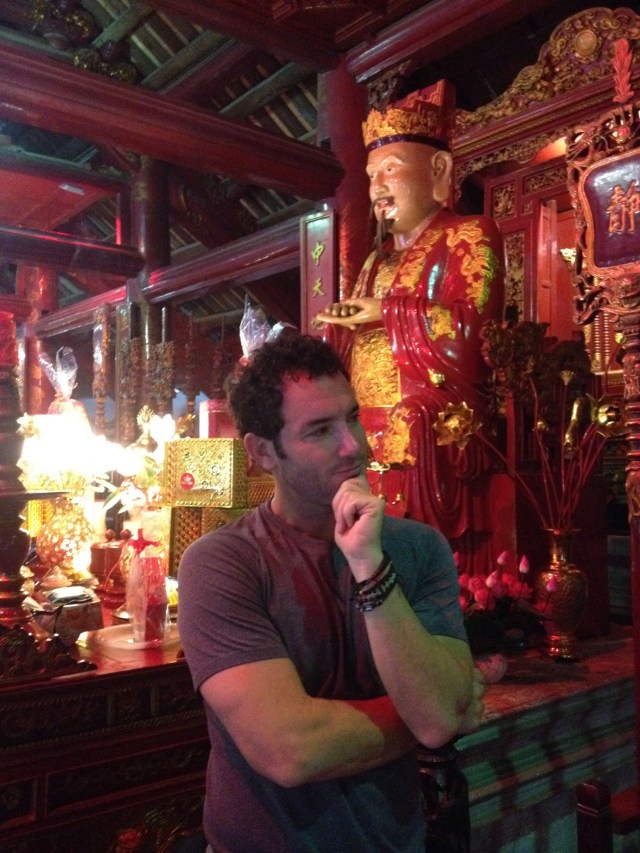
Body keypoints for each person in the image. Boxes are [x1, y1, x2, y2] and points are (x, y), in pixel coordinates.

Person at [178, 333, 484, 853]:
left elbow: (437, 714)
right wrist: (427, 716)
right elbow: (291, 750)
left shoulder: (418, 549)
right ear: (262, 452)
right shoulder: (222, 563)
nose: (354, 446)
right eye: (320, 430)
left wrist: (369, 563)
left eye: (353, 418)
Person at [315, 84, 505, 572]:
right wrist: (336, 331)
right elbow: (351, 346)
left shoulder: (470, 234)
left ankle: (435, 585)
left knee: (413, 421)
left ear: (438, 172)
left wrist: (388, 311)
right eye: (372, 175)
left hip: (435, 407)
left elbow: (472, 330)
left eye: (391, 170)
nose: (377, 187)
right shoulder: (376, 260)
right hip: (366, 412)